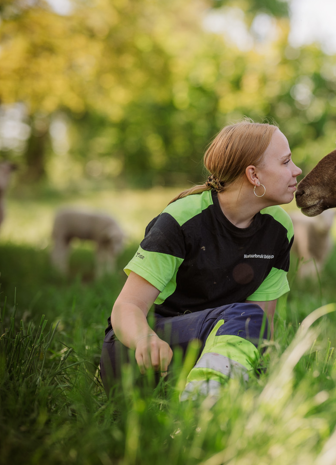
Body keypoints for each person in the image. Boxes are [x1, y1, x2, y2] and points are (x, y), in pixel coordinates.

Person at [100, 121, 301, 400]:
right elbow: (126, 306)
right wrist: (146, 340)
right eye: (286, 162)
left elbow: (261, 324)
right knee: (243, 318)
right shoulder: (181, 219)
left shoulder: (280, 228)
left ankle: (208, 393)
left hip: (217, 346)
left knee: (248, 321)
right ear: (253, 175)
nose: (297, 170)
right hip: (141, 353)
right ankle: (202, 409)